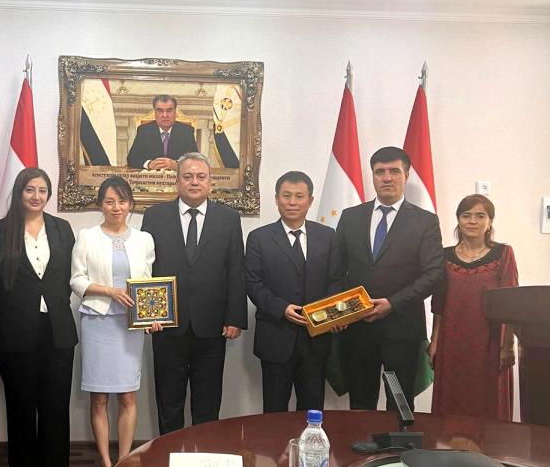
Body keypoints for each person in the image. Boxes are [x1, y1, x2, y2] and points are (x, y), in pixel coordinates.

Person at [141, 152, 247, 434]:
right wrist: (147, 315)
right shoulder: (155, 216)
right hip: (166, 324)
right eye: (187, 176)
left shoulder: (228, 218)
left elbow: (236, 269)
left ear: (210, 182)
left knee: (207, 401)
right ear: (177, 181)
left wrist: (235, 317)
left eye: (201, 176)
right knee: (169, 399)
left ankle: (205, 452)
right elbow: (145, 268)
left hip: (212, 324)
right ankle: (168, 452)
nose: (194, 182)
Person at [333, 146, 444, 410]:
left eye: (394, 171)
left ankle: (398, 440)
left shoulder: (425, 221)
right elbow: (336, 270)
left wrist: (392, 303)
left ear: (406, 175)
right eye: (379, 172)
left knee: (400, 404)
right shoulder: (351, 217)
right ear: (372, 176)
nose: (387, 178)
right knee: (360, 403)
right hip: (358, 328)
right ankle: (361, 440)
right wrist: (342, 311)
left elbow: (434, 274)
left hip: (402, 328)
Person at [0, 168, 78, 467]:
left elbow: (69, 275)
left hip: (57, 330)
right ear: (19, 192)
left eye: (42, 190)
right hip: (16, 331)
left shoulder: (62, 228)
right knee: (21, 406)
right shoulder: (0, 231)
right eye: (30, 189)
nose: (36, 196)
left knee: (55, 405)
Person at [70, 176, 158, 467]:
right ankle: (106, 466)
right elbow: (76, 281)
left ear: (130, 204)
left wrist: (153, 317)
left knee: (128, 395)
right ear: (100, 204)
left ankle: (123, 464)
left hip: (130, 327)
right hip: (98, 321)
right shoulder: (87, 237)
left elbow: (147, 284)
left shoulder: (144, 239)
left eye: (121, 201)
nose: (116, 207)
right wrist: (109, 291)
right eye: (109, 201)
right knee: (98, 397)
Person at [246, 171, 339, 413]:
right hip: (276, 336)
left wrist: (331, 315)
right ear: (276, 199)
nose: (292, 202)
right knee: (274, 411)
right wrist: (282, 308)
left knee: (312, 410)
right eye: (286, 196)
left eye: (299, 196)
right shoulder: (259, 238)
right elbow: (253, 284)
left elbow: (336, 279)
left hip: (317, 339)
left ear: (310, 200)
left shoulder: (328, 236)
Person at [429, 195, 518, 420]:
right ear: (458, 220)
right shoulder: (444, 256)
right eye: (466, 215)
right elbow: (439, 303)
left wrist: (508, 345)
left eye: (480, 216)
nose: (472, 221)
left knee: (487, 402)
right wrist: (435, 340)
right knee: (452, 400)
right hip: (452, 341)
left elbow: (511, 303)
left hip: (490, 341)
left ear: (490, 222)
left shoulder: (504, 254)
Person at [126, 95, 198, 170]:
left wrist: (177, 164)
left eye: (169, 111)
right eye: (160, 111)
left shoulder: (186, 131)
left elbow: (195, 160)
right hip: (152, 176)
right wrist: (149, 164)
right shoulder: (144, 130)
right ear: (155, 113)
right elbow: (132, 158)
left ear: (175, 112)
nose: (165, 115)